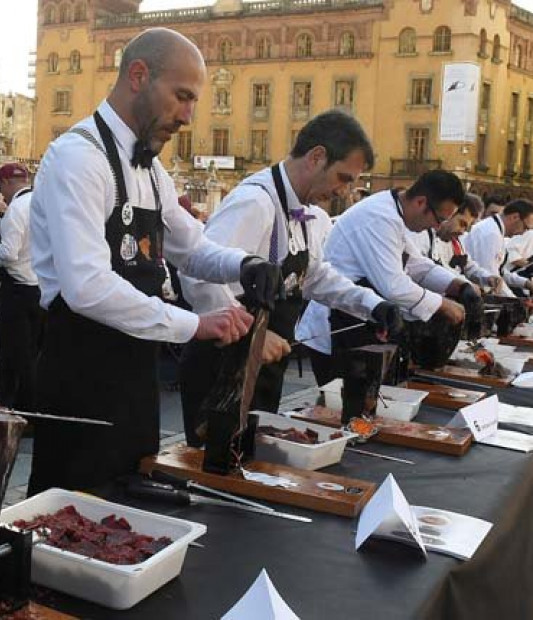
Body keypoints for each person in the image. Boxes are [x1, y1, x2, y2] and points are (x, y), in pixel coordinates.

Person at [27, 28, 282, 494]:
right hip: (81, 367)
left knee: (127, 499)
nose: (187, 116)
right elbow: (86, 286)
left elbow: (193, 248)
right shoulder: (78, 157)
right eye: (182, 97)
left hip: (134, 369)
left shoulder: (151, 169)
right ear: (139, 76)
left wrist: (244, 265)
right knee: (70, 514)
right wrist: (195, 324)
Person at [178, 111, 401, 428]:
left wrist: (372, 304)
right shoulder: (255, 201)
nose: (344, 191)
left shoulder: (303, 210)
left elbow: (314, 277)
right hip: (222, 371)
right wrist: (250, 335)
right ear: (317, 157)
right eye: (343, 178)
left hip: (263, 371)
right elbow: (197, 272)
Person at [296, 170, 470, 385]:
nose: (437, 227)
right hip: (339, 325)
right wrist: (443, 305)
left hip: (365, 321)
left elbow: (415, 264)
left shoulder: (398, 214)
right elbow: (394, 286)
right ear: (420, 202)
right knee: (343, 404)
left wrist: (459, 286)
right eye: (439, 219)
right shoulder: (379, 217)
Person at [0, 163, 41, 409]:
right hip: (41, 288)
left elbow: (9, 253)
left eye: (1, 187)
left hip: (17, 290)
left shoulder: (17, 209)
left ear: (6, 183)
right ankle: (32, 408)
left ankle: (11, 406)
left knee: (10, 353)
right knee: (33, 353)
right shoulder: (45, 204)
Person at [413, 193, 501, 290]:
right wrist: (465, 284)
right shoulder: (421, 235)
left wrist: (487, 277)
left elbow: (468, 266)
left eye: (467, 228)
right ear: (450, 214)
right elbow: (426, 271)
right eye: (462, 224)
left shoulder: (456, 243)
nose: (462, 232)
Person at [464, 198, 533, 296]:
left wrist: (526, 283)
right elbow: (492, 280)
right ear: (515, 217)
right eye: (525, 227)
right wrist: (515, 300)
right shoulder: (491, 234)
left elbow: (500, 271)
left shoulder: (496, 230)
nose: (523, 233)